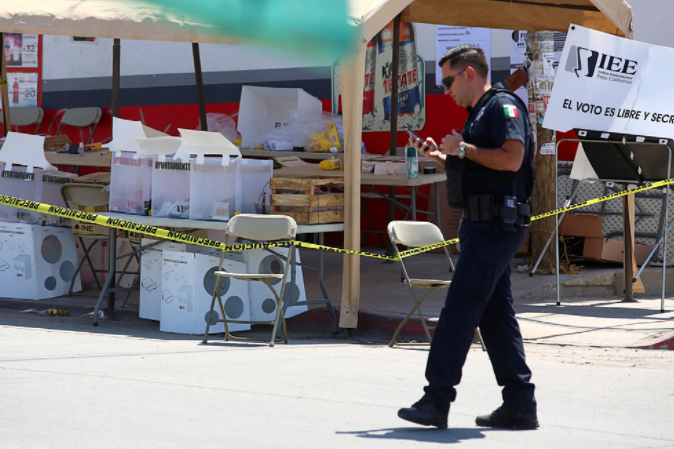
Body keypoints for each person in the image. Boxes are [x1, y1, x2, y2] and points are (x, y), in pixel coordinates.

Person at [398, 45, 538, 430]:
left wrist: (462, 147)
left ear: (469, 73)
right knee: (495, 315)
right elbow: (476, 166)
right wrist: (438, 156)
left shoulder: (502, 106)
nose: (445, 90)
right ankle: (520, 404)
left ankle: (436, 398)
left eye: (447, 81)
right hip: (483, 223)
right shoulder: (477, 115)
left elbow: (511, 159)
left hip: (496, 224)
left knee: (459, 309)